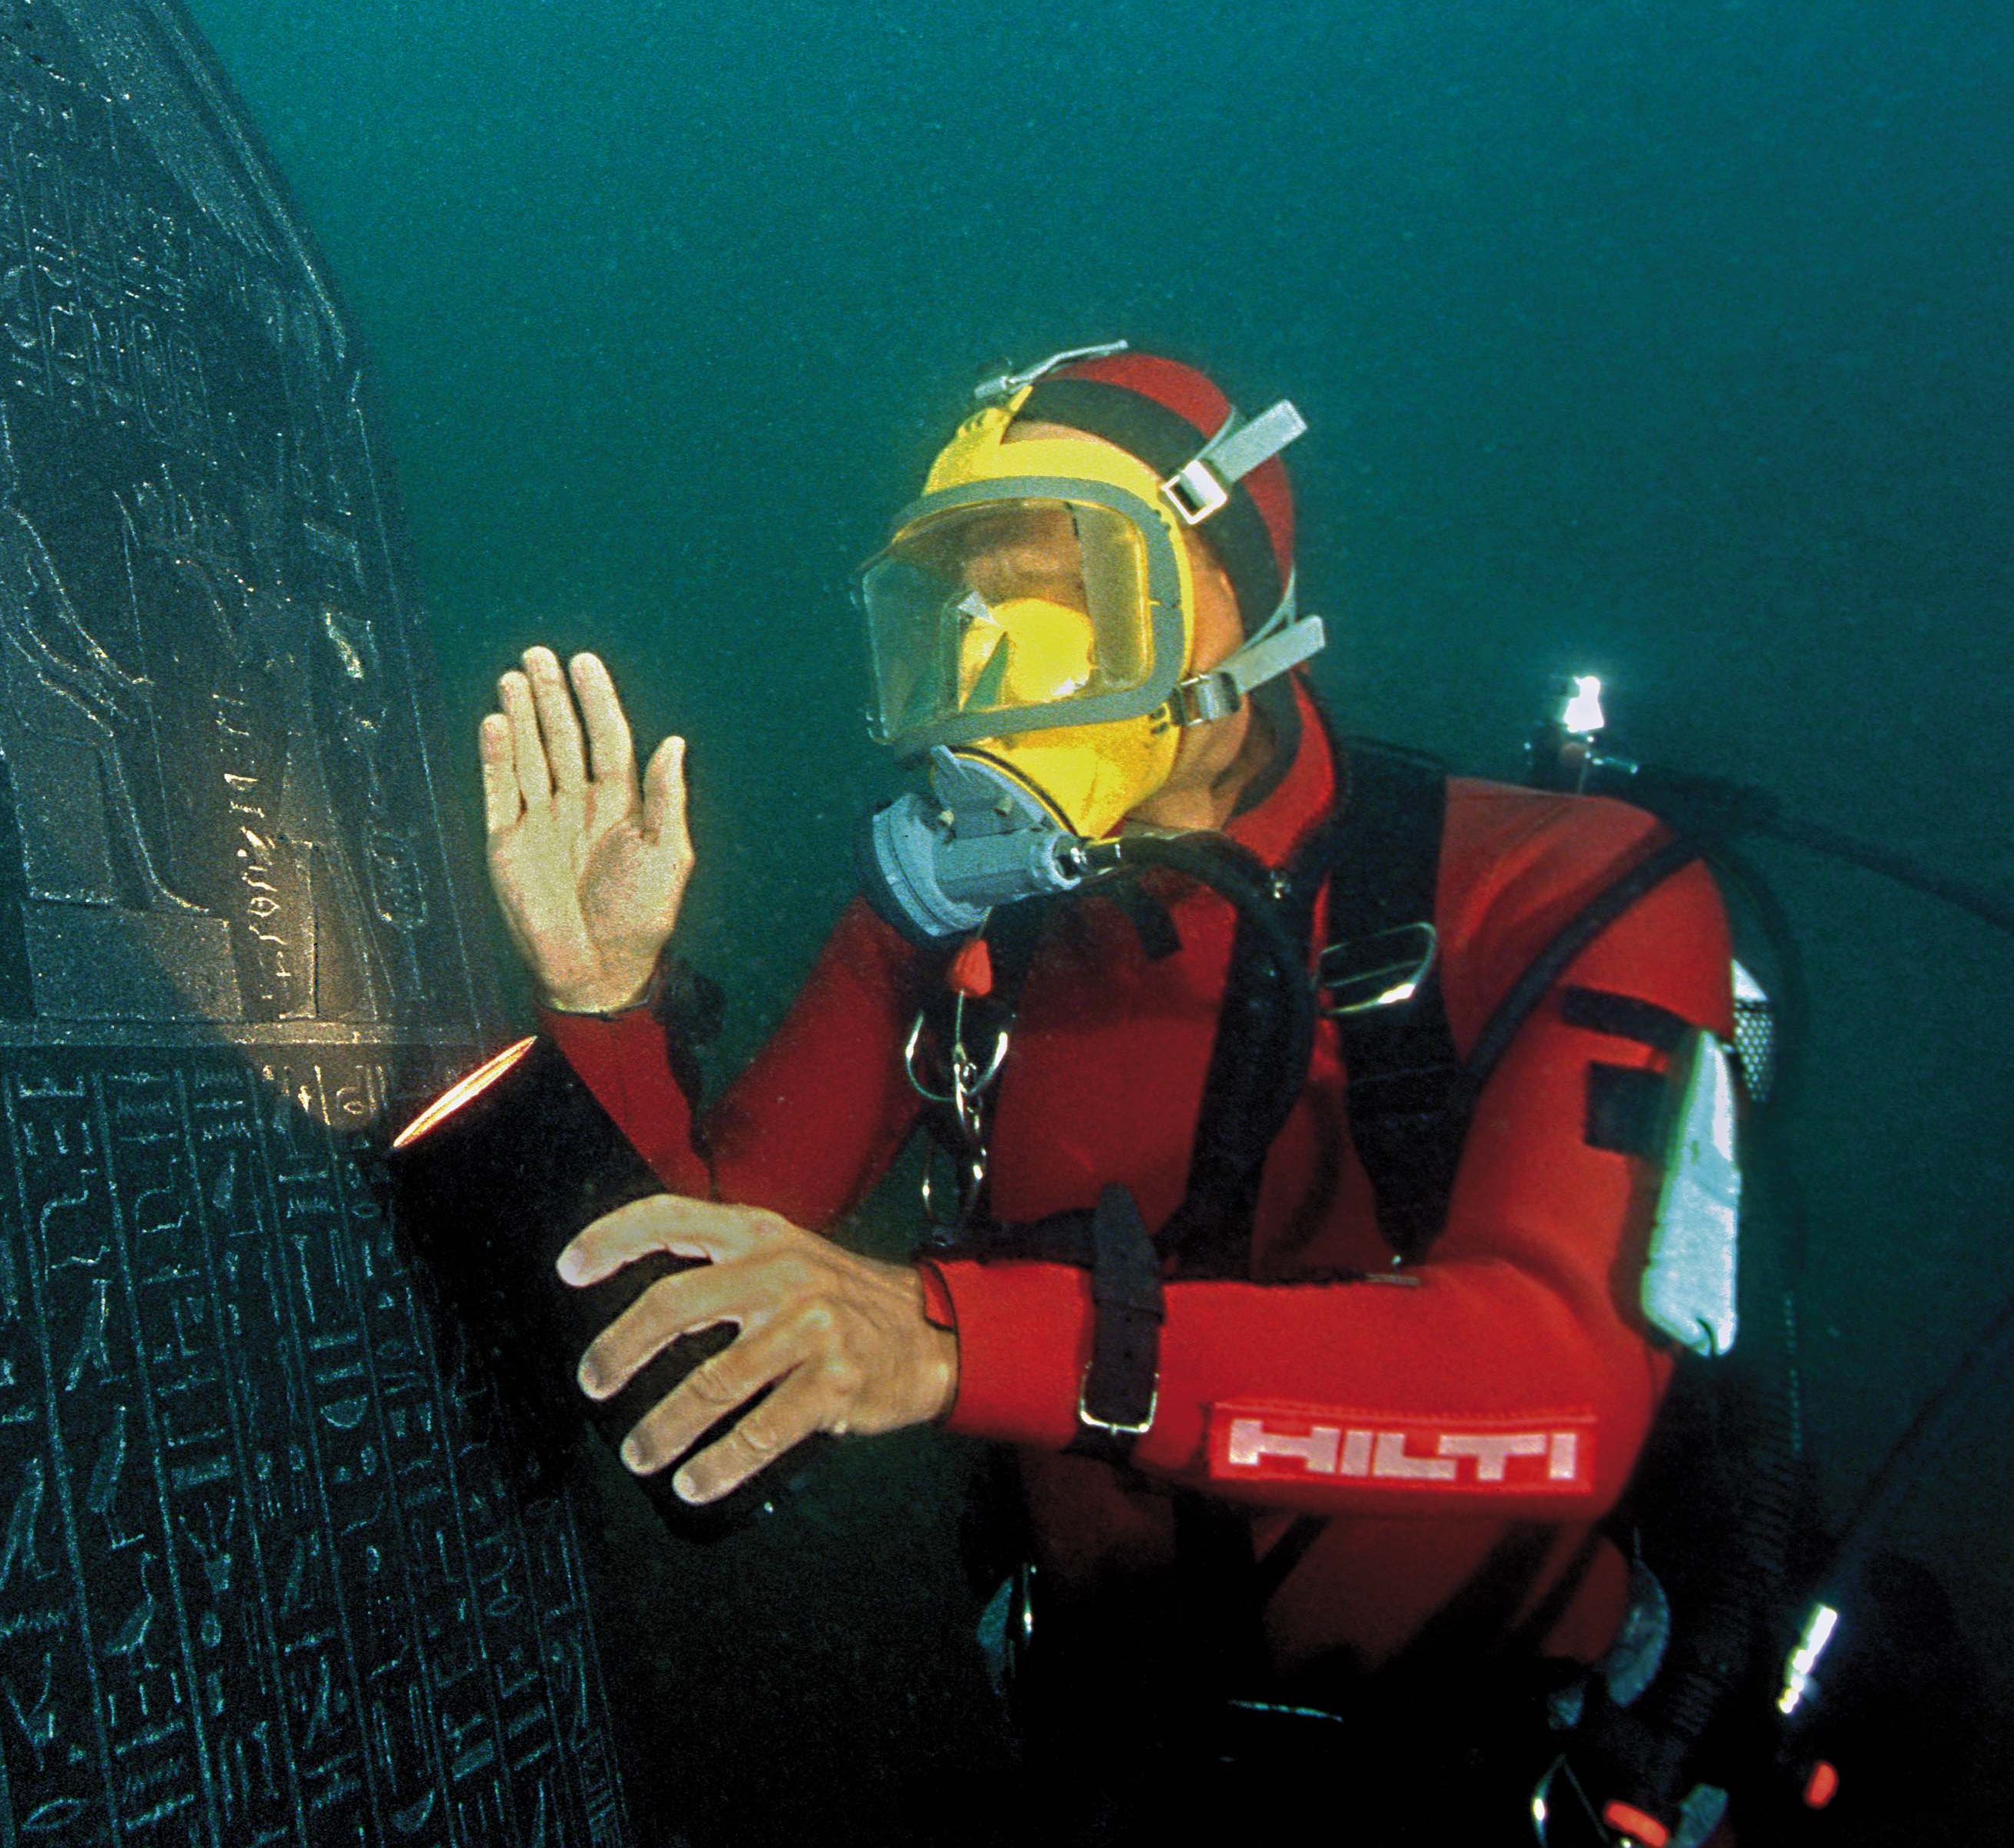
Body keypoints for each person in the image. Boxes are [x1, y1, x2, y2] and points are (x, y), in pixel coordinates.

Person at [478, 345, 1732, 1843]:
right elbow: (697, 1315)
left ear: (1236, 588)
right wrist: (605, 995)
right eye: (966, 600)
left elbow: (1563, 1400)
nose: (1007, 652)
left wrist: (953, 1334)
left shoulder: (1558, 883)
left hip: (1499, 1773)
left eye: (1077, 578)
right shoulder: (943, 928)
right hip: (1106, 1759)